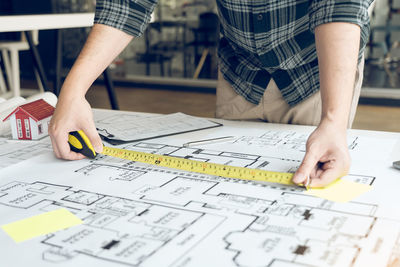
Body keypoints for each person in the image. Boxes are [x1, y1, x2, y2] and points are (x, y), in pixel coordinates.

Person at [49, 0, 373, 188]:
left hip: (318, 68)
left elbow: (341, 6)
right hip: (240, 66)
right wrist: (72, 94)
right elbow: (127, 4)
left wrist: (333, 120)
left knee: (314, 186)